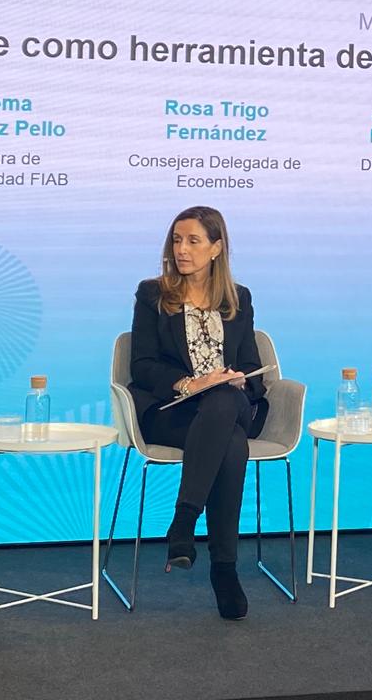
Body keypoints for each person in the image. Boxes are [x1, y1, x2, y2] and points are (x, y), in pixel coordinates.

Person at [129, 205, 267, 620]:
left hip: (229, 404)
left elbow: (254, 368)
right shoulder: (152, 295)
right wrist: (191, 384)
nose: (182, 250)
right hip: (174, 412)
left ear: (216, 248)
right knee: (232, 444)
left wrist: (238, 380)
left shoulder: (238, 298)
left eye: (193, 241)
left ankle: (184, 523)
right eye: (177, 240)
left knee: (223, 401)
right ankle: (224, 569)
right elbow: (142, 365)